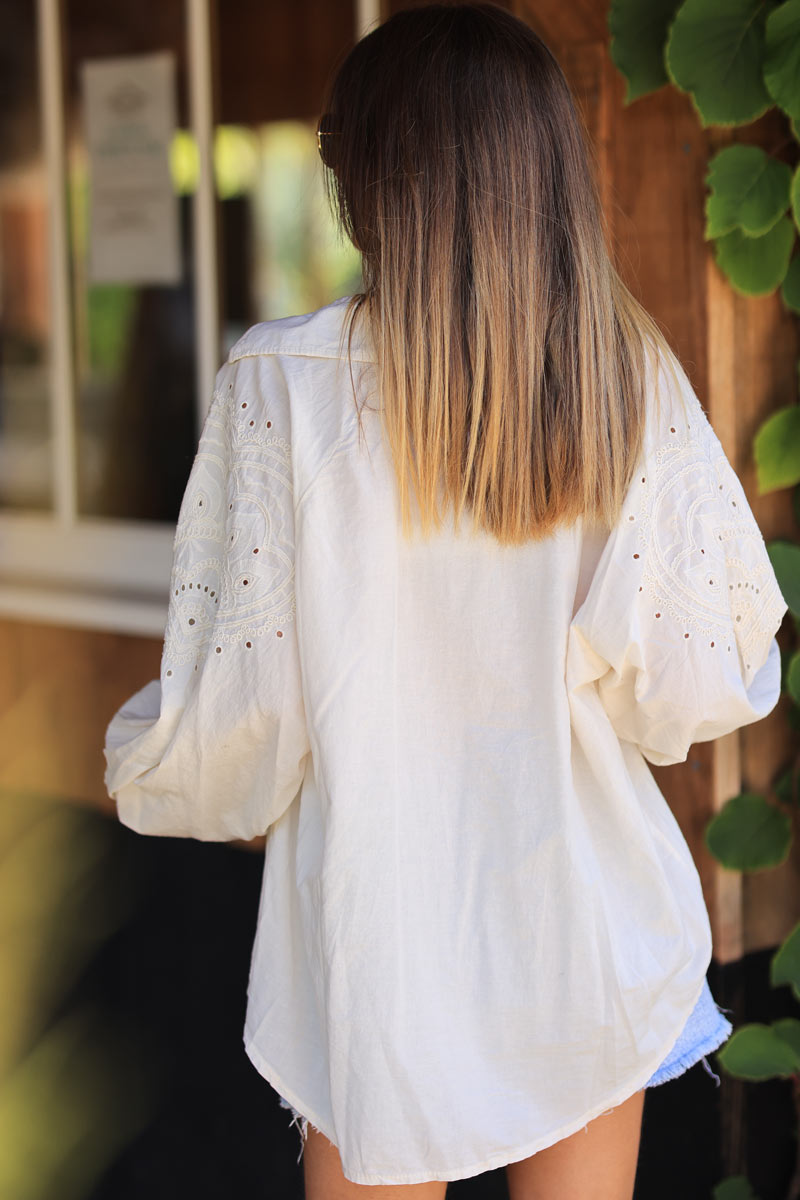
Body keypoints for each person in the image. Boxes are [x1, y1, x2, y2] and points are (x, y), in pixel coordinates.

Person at [103, 4, 788, 1196]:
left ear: (377, 178)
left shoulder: (284, 384)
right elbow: (701, 677)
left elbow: (240, 723)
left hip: (378, 924)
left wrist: (146, 763)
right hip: (580, 920)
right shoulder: (625, 378)